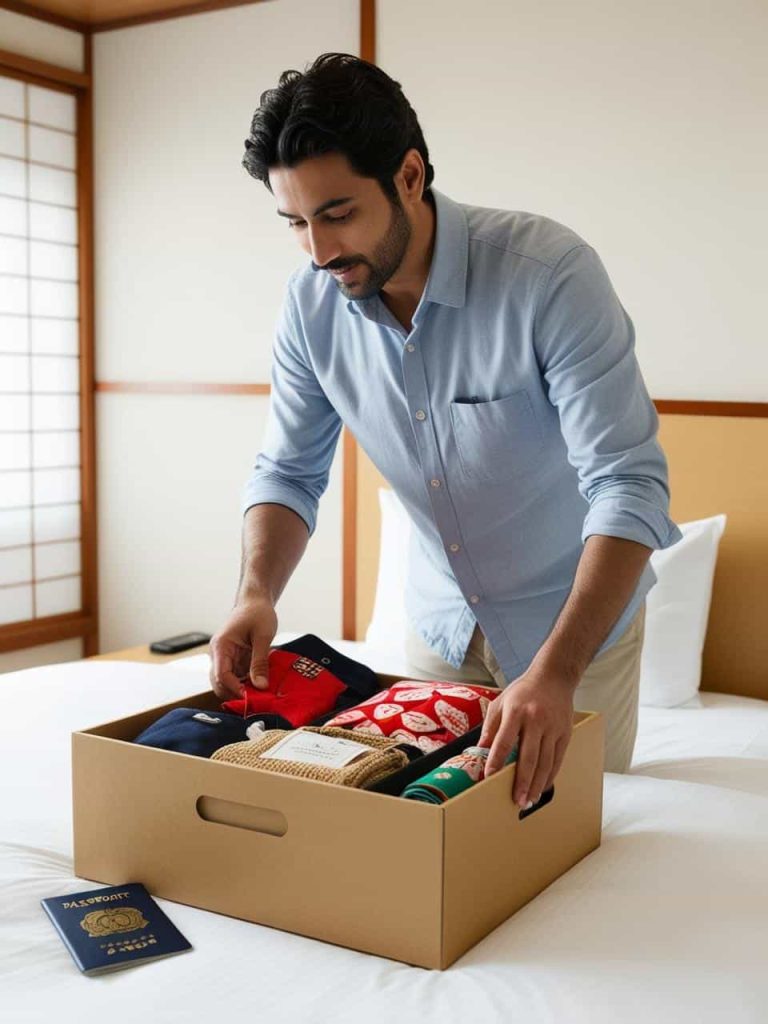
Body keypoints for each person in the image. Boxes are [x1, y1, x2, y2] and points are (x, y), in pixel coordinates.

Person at [209, 52, 681, 808]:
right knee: (422, 838)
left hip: (574, 632)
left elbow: (628, 485)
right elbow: (288, 471)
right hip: (438, 626)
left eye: (337, 214)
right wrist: (255, 592)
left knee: (561, 845)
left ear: (408, 177)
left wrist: (554, 675)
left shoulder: (548, 275)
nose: (319, 251)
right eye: (295, 222)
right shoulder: (310, 305)